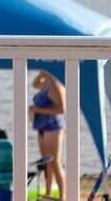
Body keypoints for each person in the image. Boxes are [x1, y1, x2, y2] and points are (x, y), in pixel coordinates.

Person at [30, 69, 65, 200]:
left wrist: (36, 109)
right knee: (47, 161)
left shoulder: (56, 85)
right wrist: (42, 73)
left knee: (55, 162)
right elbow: (34, 84)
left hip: (53, 127)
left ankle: (63, 196)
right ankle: (48, 192)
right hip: (42, 127)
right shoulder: (47, 83)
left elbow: (62, 109)